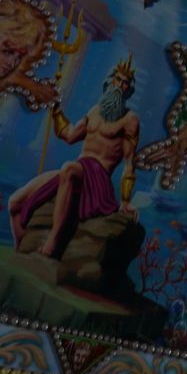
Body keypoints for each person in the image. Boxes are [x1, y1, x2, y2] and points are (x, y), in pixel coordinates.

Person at [7, 57, 140, 258]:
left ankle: (53, 240)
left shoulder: (130, 120)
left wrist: (126, 201)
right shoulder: (94, 111)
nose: (120, 86)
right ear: (110, 81)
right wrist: (56, 110)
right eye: (118, 80)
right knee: (14, 203)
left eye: (125, 83)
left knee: (68, 168)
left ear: (129, 89)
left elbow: (130, 163)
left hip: (98, 178)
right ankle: (20, 250)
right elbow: (69, 135)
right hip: (78, 170)